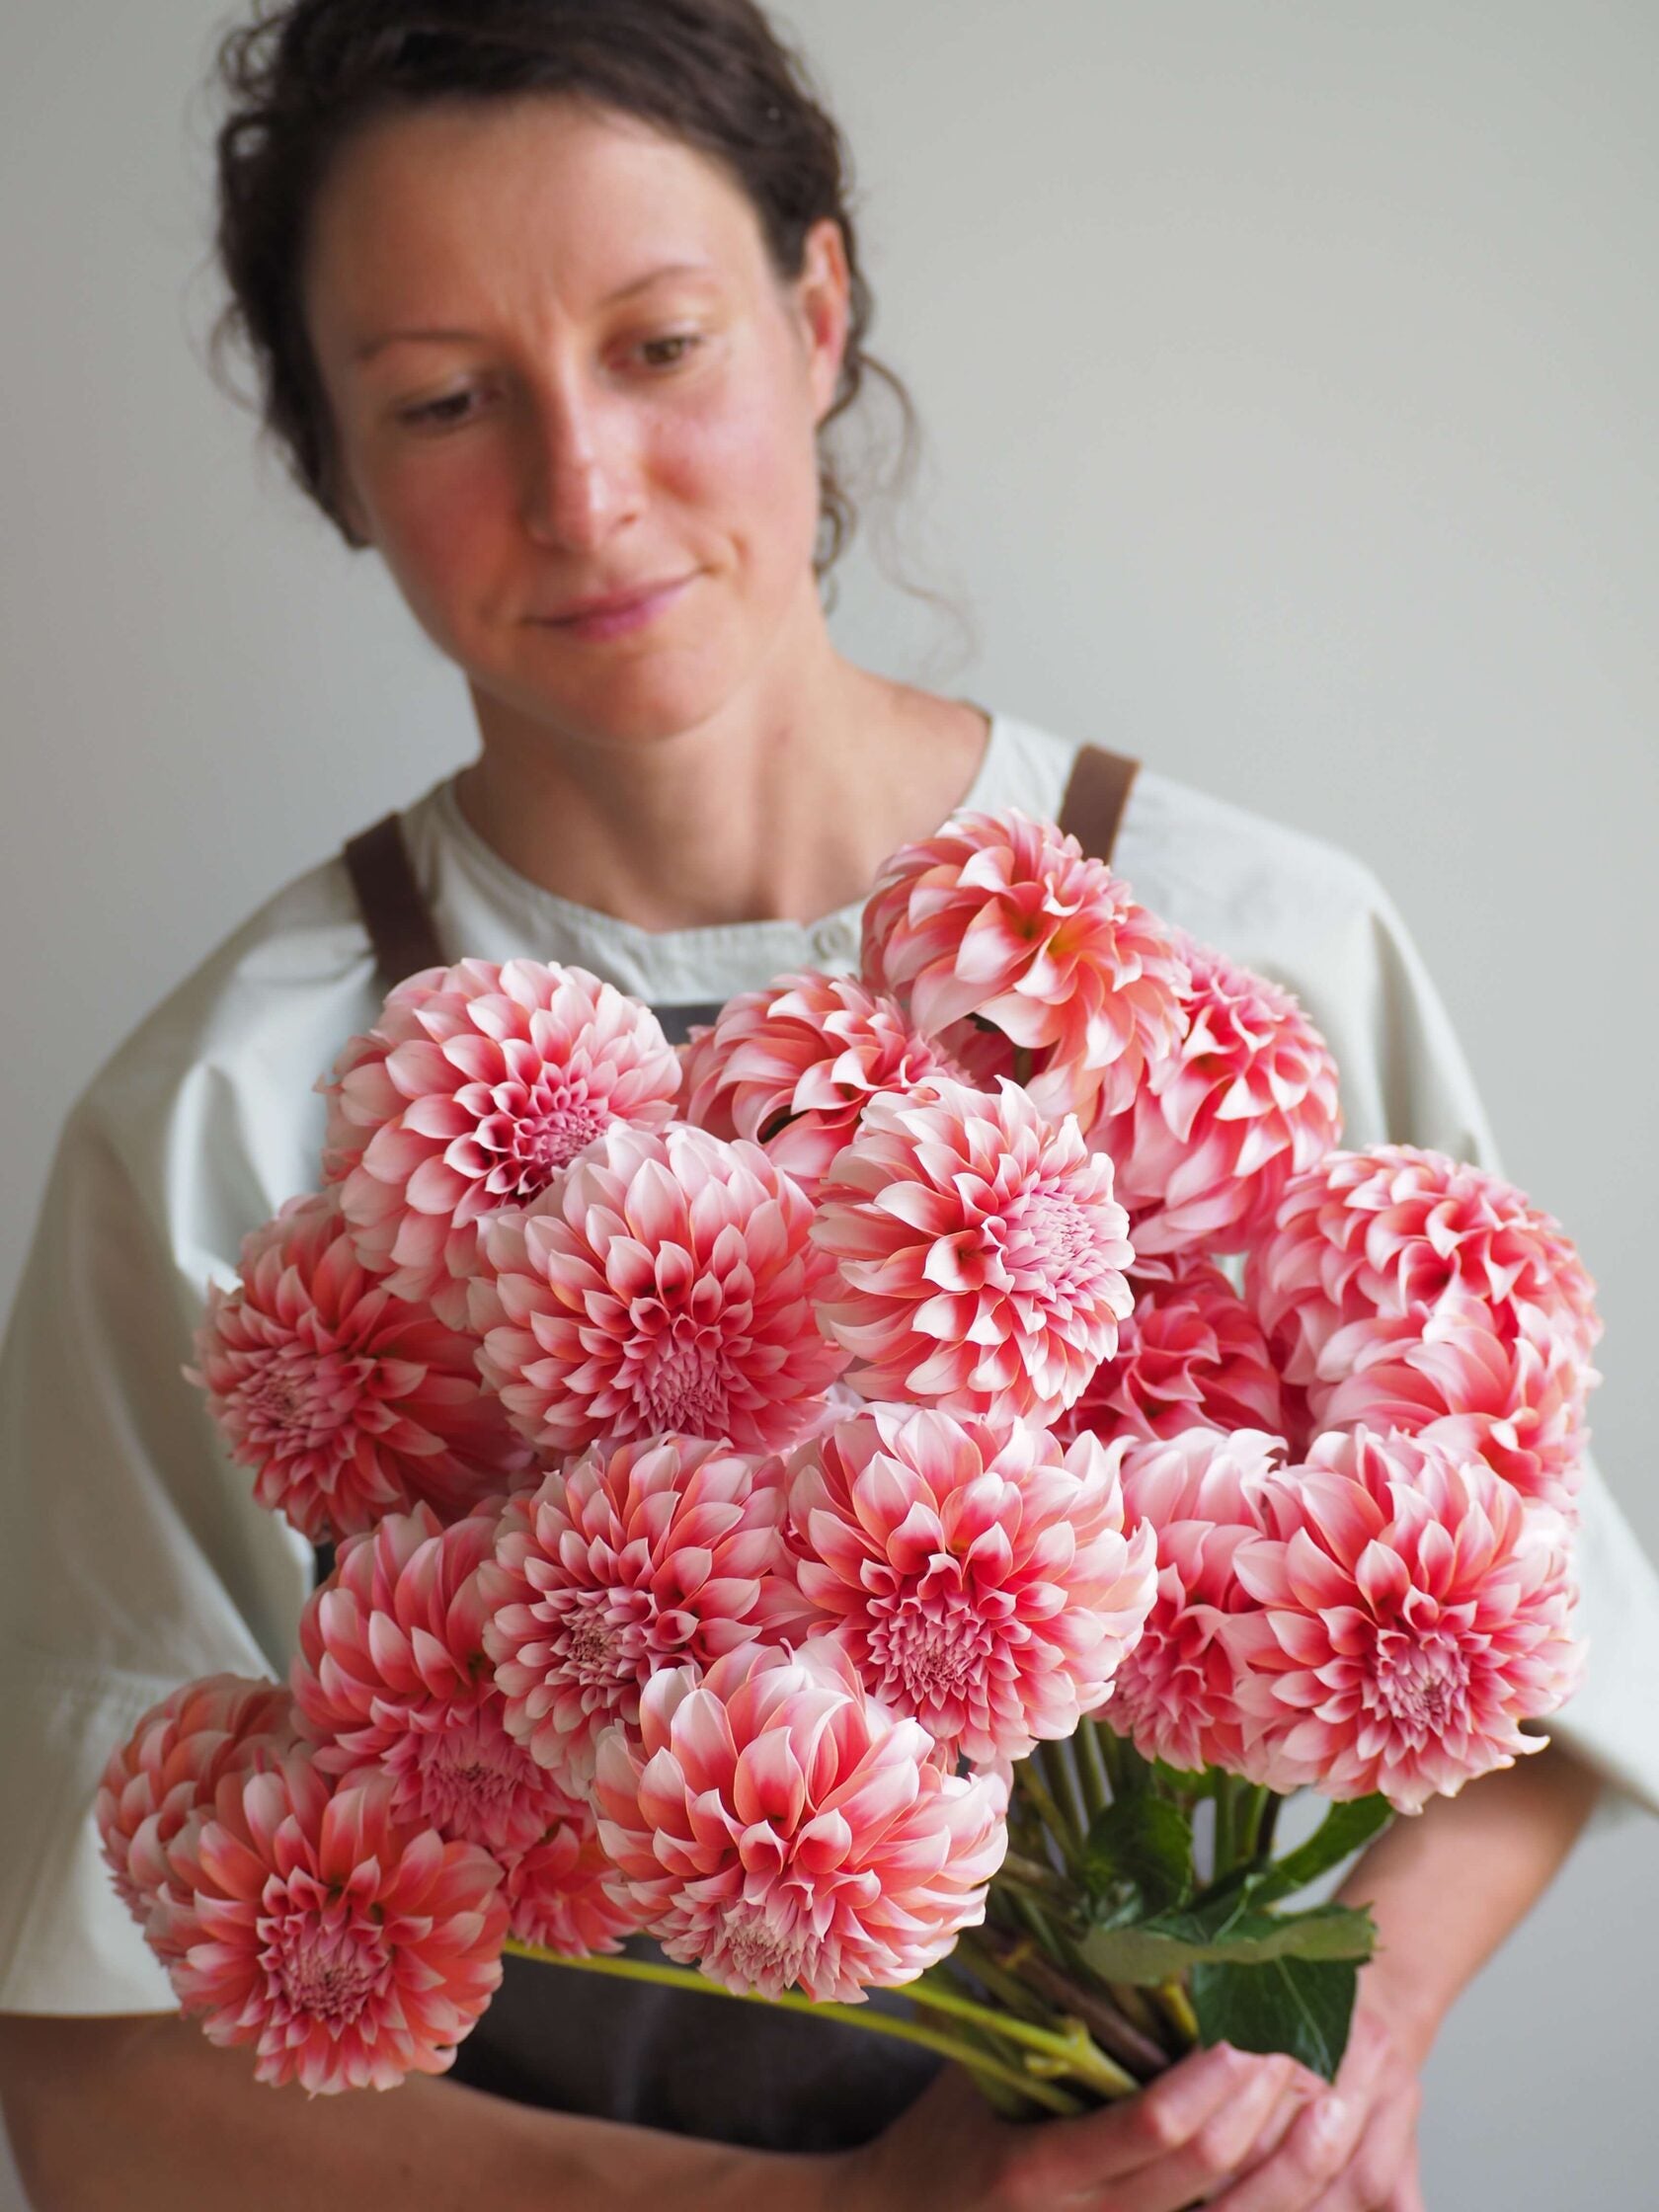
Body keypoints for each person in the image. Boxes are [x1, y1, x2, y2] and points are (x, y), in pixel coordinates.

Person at [1, 3, 1654, 2207]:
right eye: (443, 400)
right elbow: (96, 2073)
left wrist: (1303, 2063)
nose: (583, 488)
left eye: (661, 342)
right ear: (330, 457)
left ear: (816, 309)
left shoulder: (1246, 937)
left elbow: (1549, 1649)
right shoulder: (230, 1108)